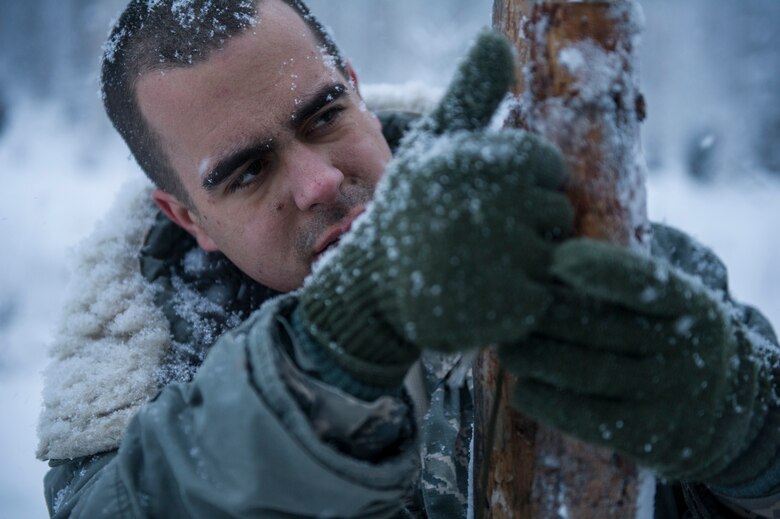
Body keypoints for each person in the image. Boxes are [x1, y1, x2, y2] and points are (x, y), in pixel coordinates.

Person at [36, 0, 780, 517]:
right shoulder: (123, 401)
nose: (320, 181)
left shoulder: (592, 240)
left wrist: (748, 438)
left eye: (324, 116)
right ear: (186, 217)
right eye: (248, 171)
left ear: (356, 91)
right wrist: (323, 362)